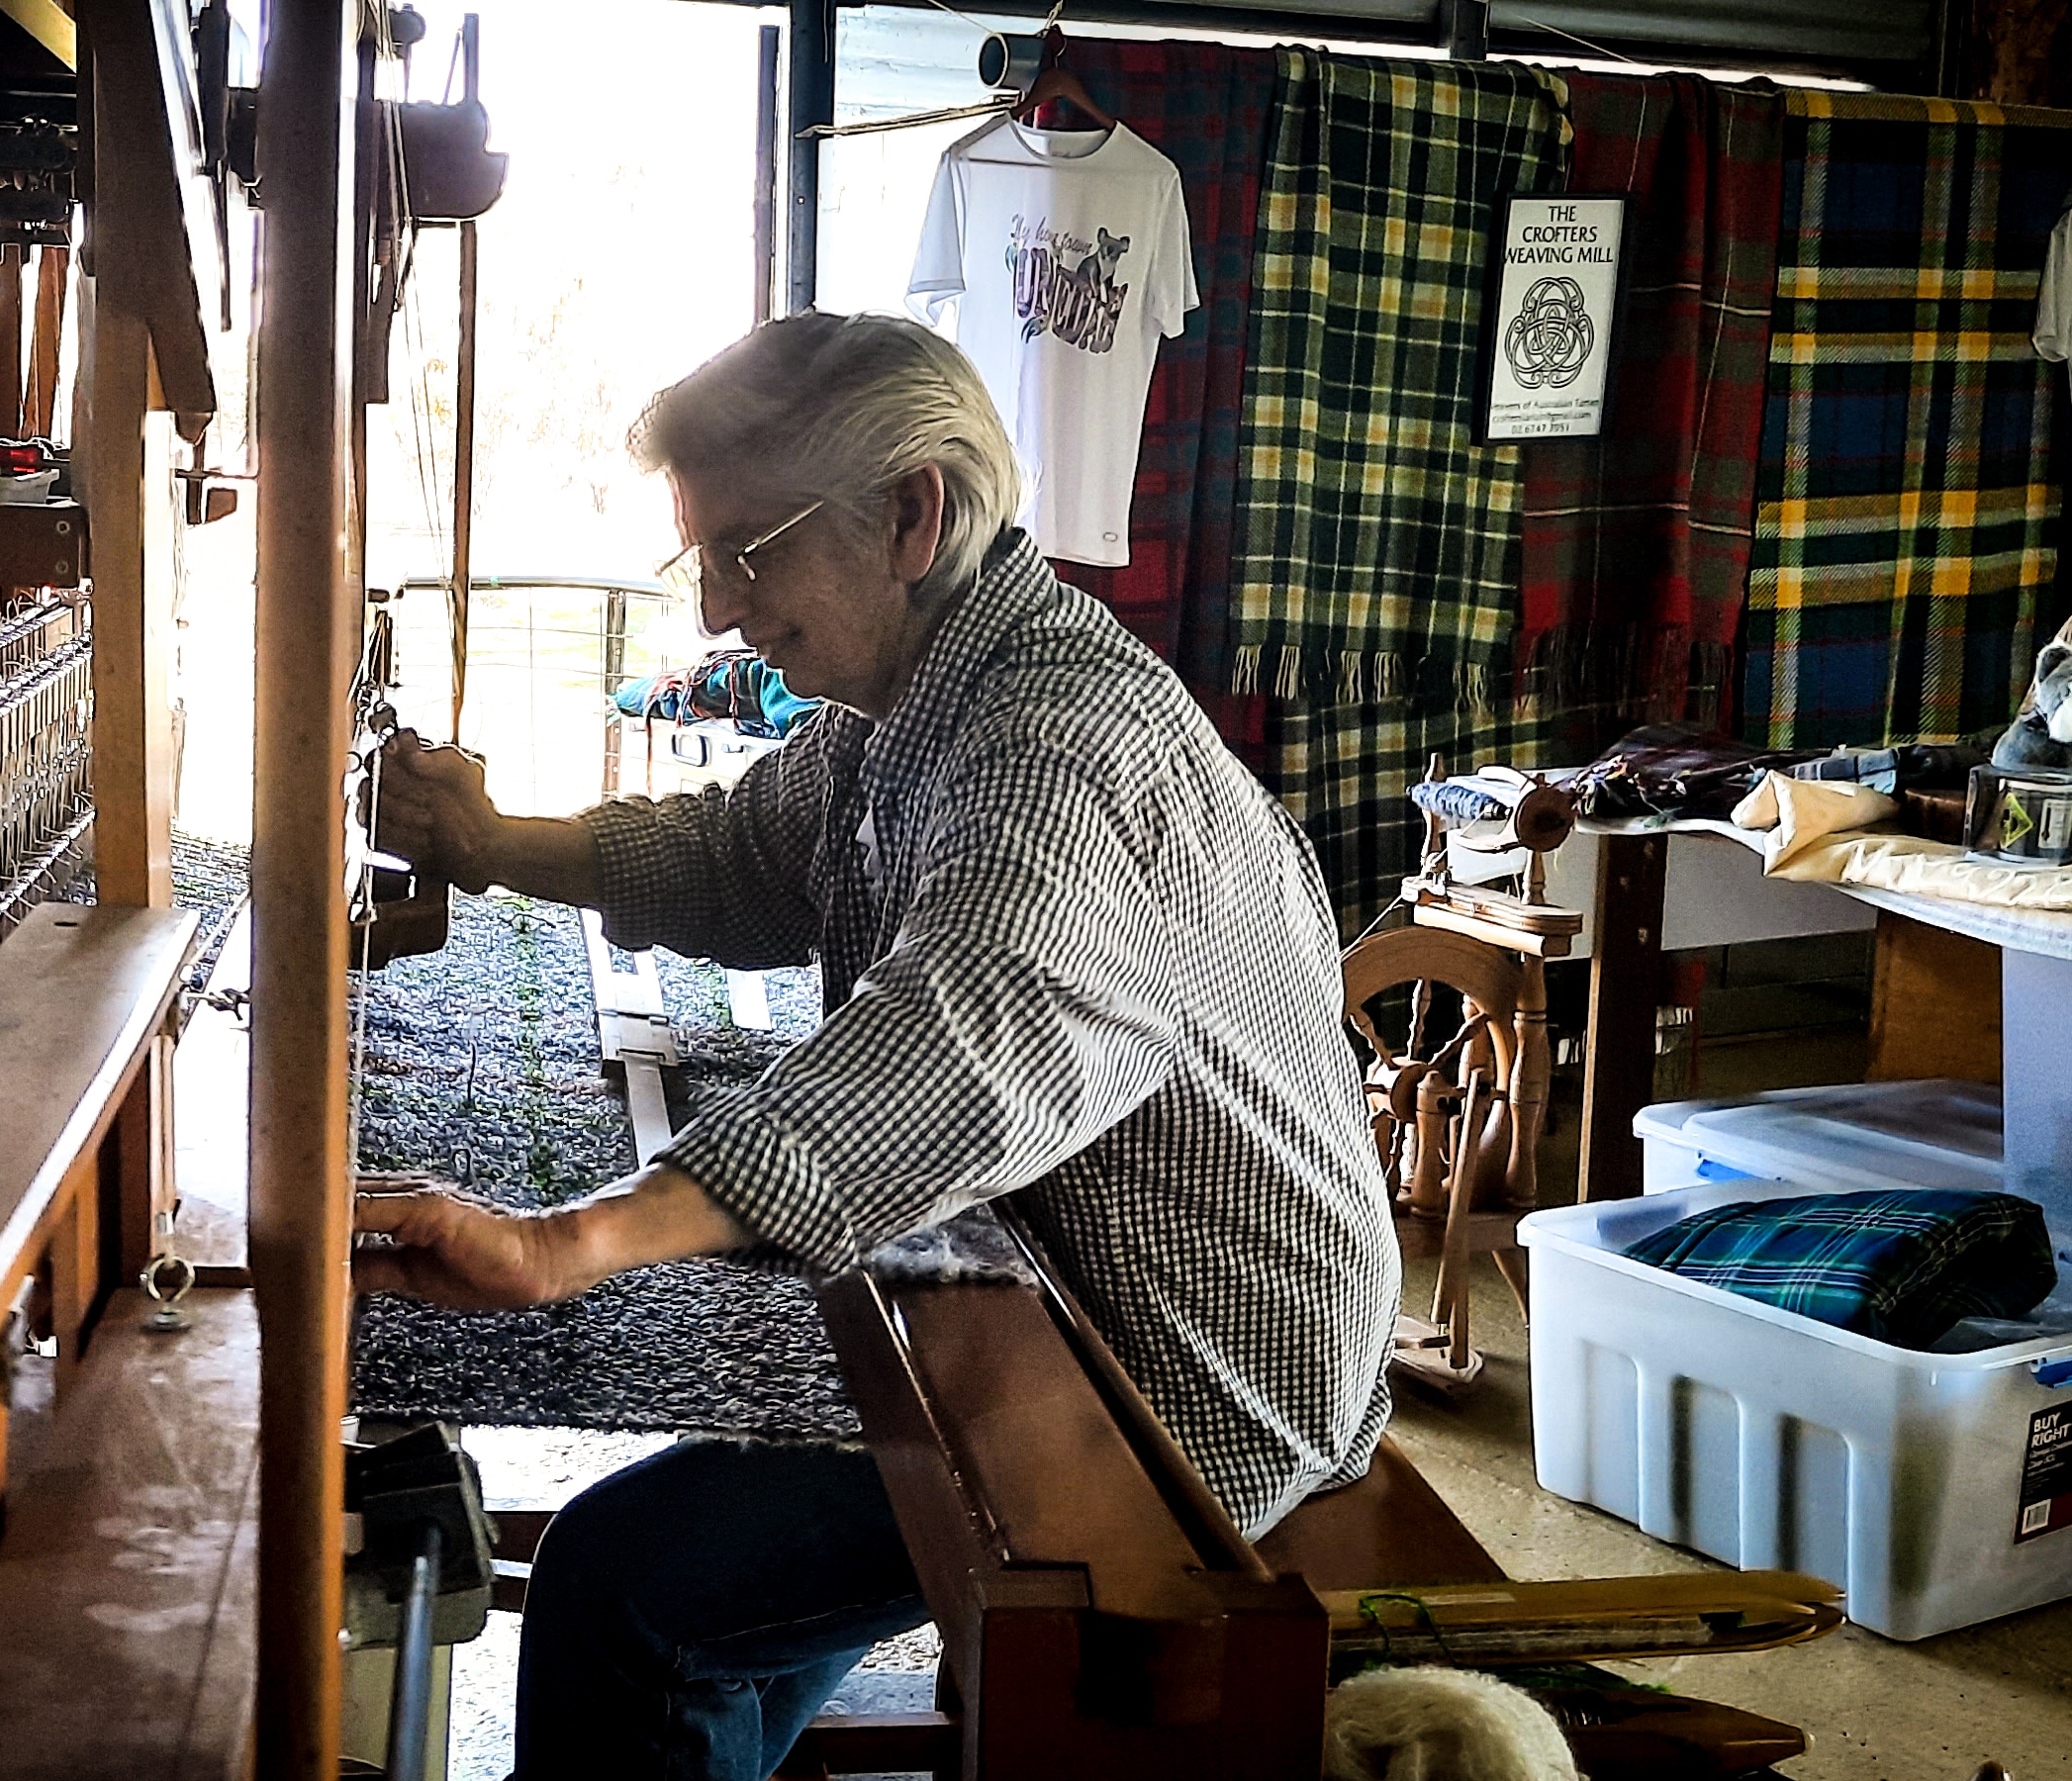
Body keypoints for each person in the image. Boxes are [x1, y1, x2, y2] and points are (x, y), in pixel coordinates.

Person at [352, 312, 1394, 1781]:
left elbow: (954, 1047)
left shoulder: (1059, 745)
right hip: (1045, 1299)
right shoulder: (927, 693)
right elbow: (751, 854)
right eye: (697, 557)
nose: (717, 610)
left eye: (748, 553)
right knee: (725, 1568)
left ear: (911, 514)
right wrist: (492, 838)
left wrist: (573, 1241)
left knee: (626, 1587)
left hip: (1189, 1385)